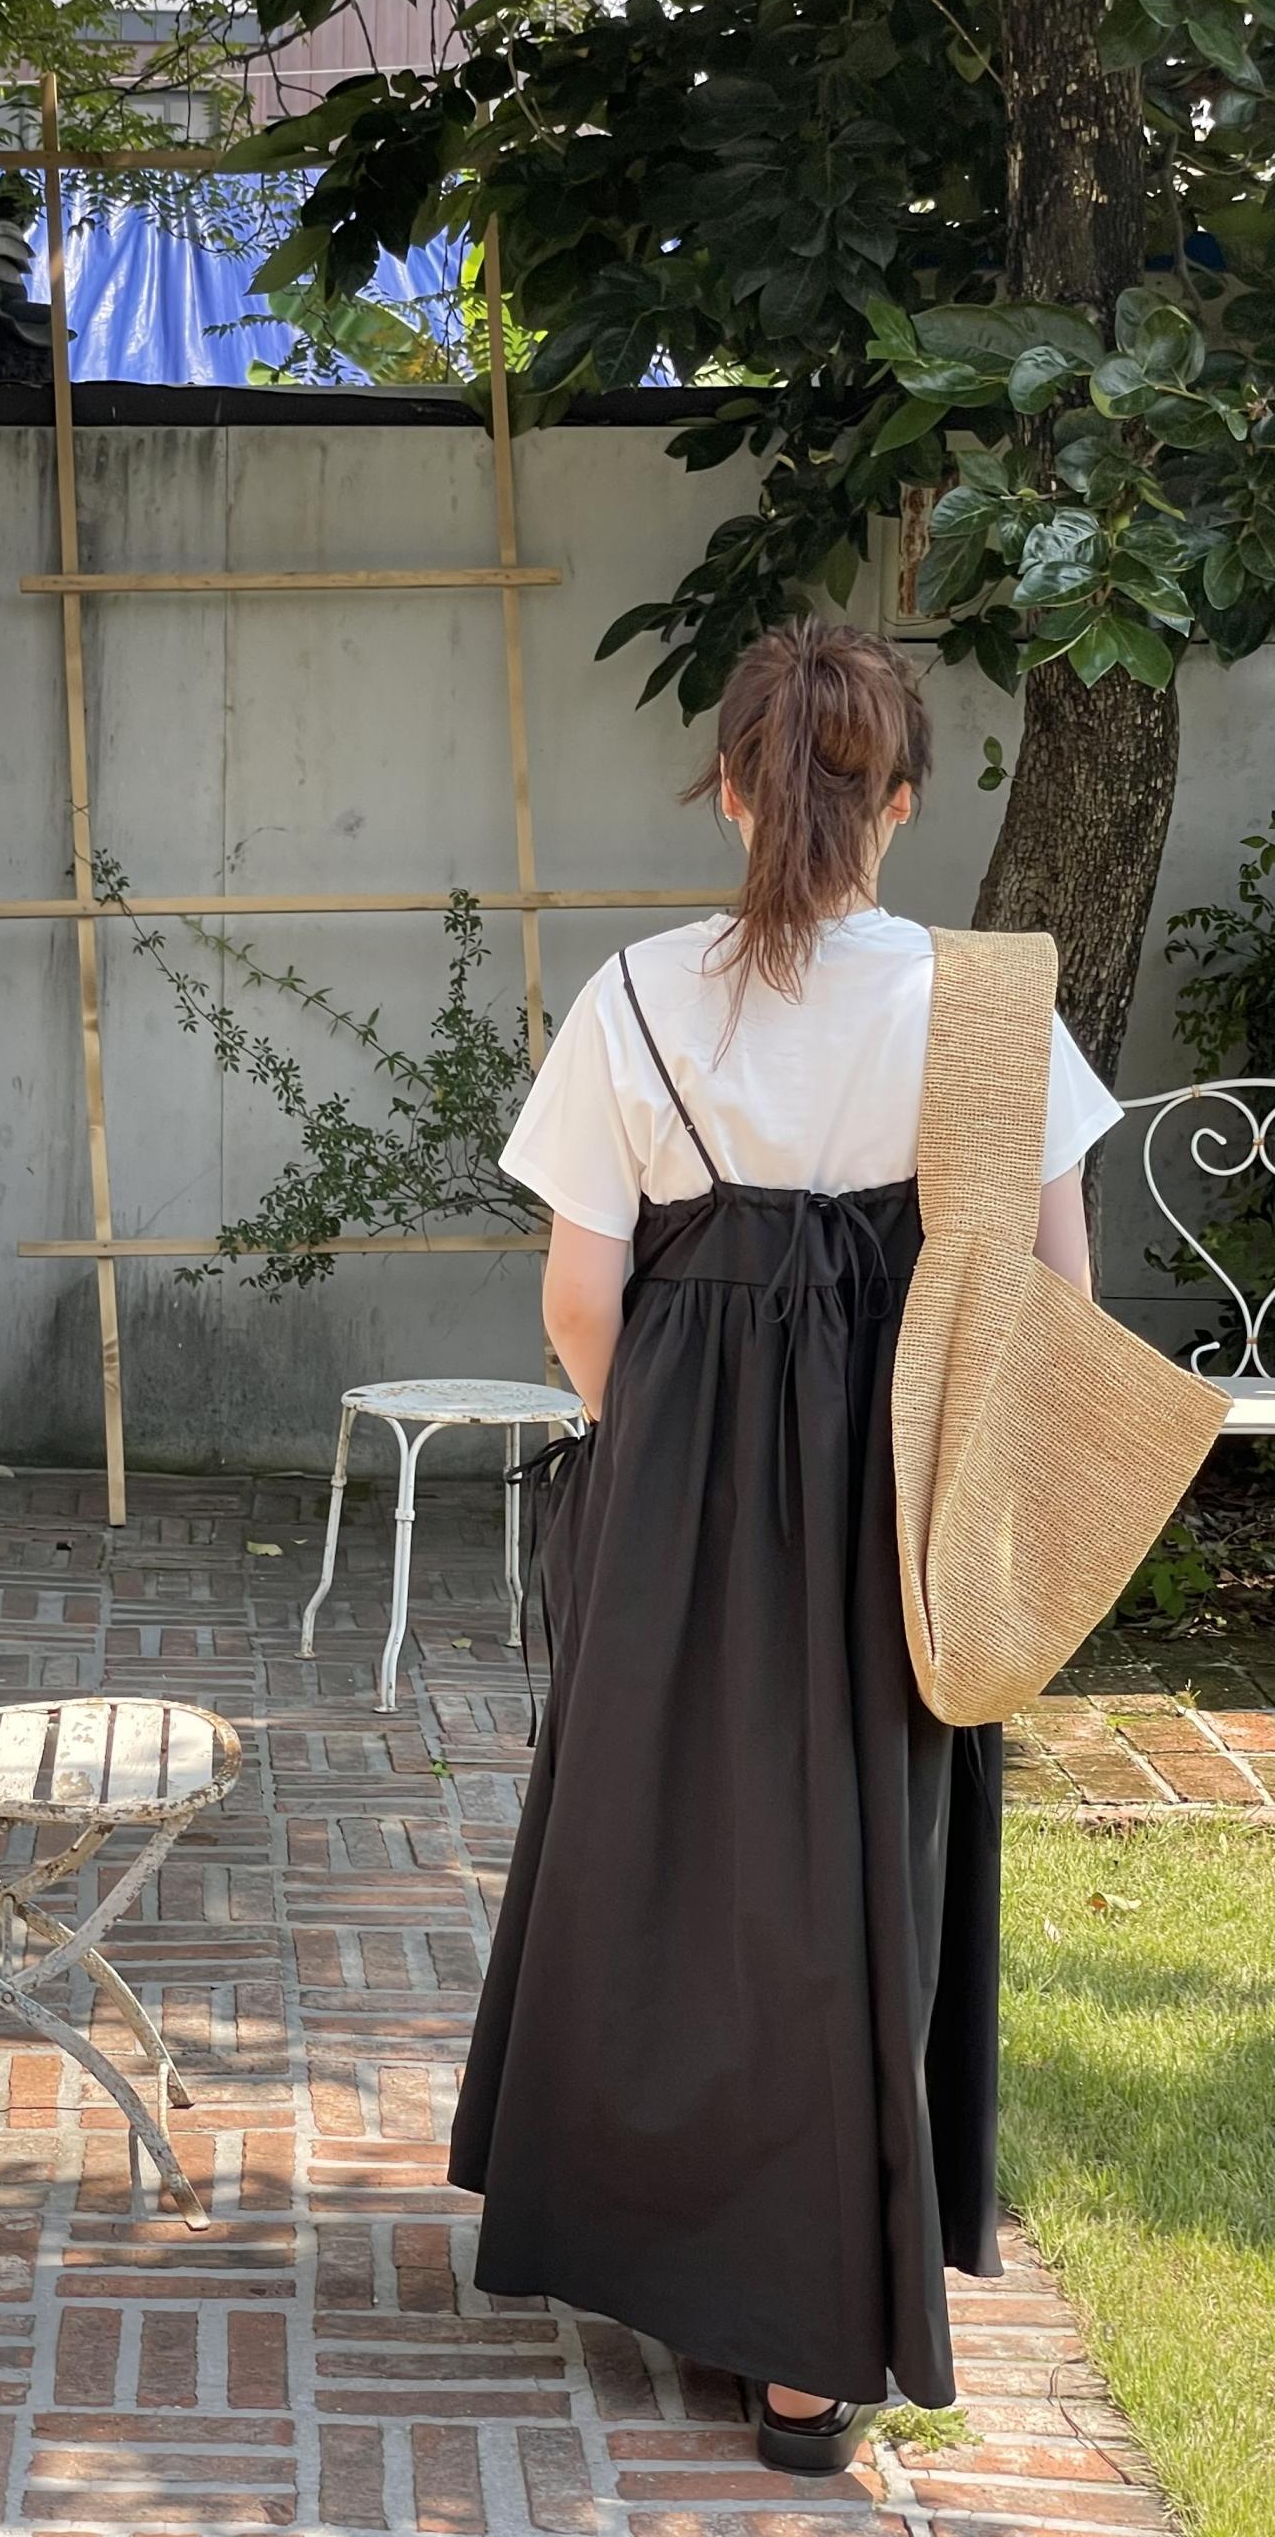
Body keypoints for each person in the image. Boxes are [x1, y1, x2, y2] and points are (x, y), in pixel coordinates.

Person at [446, 616, 1123, 2477]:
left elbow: (578, 1300)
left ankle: (659, 2249)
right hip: (903, 1503)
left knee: (659, 1859)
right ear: (898, 805)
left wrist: (662, 1456)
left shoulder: (638, 995)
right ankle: (813, 2353)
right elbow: (1057, 1300)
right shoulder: (990, 1006)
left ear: (732, 794)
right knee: (861, 1881)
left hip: (673, 1484)